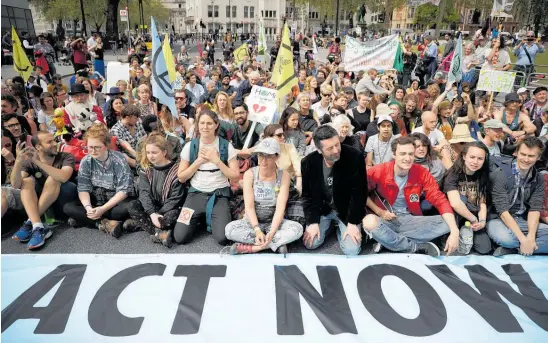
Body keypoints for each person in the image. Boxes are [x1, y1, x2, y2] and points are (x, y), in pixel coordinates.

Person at [362, 136, 460, 256]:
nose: (407, 158)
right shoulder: (378, 171)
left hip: (409, 219)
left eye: (411, 154)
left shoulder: (421, 172)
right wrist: (380, 211)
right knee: (369, 222)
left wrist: (455, 231)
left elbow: (438, 198)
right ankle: (414, 247)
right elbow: (359, 192)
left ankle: (387, 240)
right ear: (394, 154)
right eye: (402, 154)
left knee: (449, 222)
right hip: (385, 218)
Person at [225, 138, 303, 254]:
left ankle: (252, 247)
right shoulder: (250, 174)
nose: (263, 161)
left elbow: (280, 208)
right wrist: (257, 230)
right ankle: (276, 244)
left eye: (268, 156)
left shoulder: (284, 175)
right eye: (261, 155)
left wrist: (271, 232)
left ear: (277, 157)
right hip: (252, 222)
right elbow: (249, 207)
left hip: (274, 222)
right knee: (229, 230)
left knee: (297, 229)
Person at [174, 110, 239, 245]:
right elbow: (181, 177)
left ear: (216, 125)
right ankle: (202, 218)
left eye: (209, 123)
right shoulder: (190, 146)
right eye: (202, 123)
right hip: (196, 194)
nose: (205, 127)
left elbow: (235, 176)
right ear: (197, 125)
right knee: (180, 237)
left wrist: (217, 161)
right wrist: (198, 161)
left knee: (222, 238)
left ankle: (207, 217)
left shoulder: (226, 146)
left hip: (219, 194)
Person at [301, 125, 367, 255]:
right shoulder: (308, 162)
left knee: (352, 250)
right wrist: (313, 221)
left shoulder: (355, 156)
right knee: (310, 244)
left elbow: (360, 192)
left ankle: (340, 227)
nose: (336, 150)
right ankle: (330, 226)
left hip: (347, 210)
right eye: (330, 148)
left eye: (337, 144)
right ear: (319, 150)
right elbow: (307, 196)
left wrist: (353, 222)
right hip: (323, 210)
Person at [63, 124, 135, 237]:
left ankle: (90, 220)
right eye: (90, 147)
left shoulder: (118, 159)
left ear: (106, 146)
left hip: (115, 201)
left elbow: (124, 190)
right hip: (96, 199)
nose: (93, 150)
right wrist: (88, 207)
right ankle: (103, 223)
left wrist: (103, 209)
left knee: (128, 207)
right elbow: (83, 187)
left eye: (97, 147)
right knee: (68, 207)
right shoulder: (86, 161)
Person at [11, 131, 77, 249]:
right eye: (49, 142)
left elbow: (63, 177)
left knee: (54, 178)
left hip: (67, 202)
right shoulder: (29, 163)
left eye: (54, 140)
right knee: (26, 181)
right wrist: (18, 161)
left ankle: (30, 222)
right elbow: (16, 184)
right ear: (38, 147)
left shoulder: (66, 157)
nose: (55, 144)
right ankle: (37, 226)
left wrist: (37, 161)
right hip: (47, 206)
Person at [487, 136, 548, 256]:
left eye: (531, 156)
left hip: (521, 219)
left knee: (528, 237)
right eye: (523, 154)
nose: (526, 159)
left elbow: (535, 209)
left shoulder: (539, 177)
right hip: (498, 219)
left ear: (538, 157)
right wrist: (523, 240)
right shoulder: (500, 174)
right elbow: (502, 211)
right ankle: (519, 246)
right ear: (516, 153)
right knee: (506, 238)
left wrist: (530, 237)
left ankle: (513, 249)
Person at [123, 133, 185, 247]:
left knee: (172, 216)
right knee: (132, 205)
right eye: (148, 152)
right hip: (153, 207)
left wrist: (159, 213)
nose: (150, 156)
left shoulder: (176, 170)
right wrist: (152, 214)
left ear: (164, 152)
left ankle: (143, 225)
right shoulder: (146, 168)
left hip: (169, 208)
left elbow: (176, 198)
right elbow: (144, 193)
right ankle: (158, 233)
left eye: (154, 152)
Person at [442, 142, 492, 254]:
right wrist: (473, 219)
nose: (475, 162)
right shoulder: (453, 173)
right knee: (462, 200)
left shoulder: (483, 173)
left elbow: (482, 201)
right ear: (464, 156)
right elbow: (455, 203)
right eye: (472, 157)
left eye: (480, 158)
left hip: (473, 215)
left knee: (485, 248)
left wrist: (482, 221)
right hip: (455, 216)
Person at [262, 124, 302, 195]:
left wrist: (298, 188)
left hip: (289, 184)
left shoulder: (289, 147)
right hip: (270, 185)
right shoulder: (263, 151)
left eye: (283, 134)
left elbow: (298, 169)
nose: (283, 137)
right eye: (279, 135)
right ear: (269, 137)